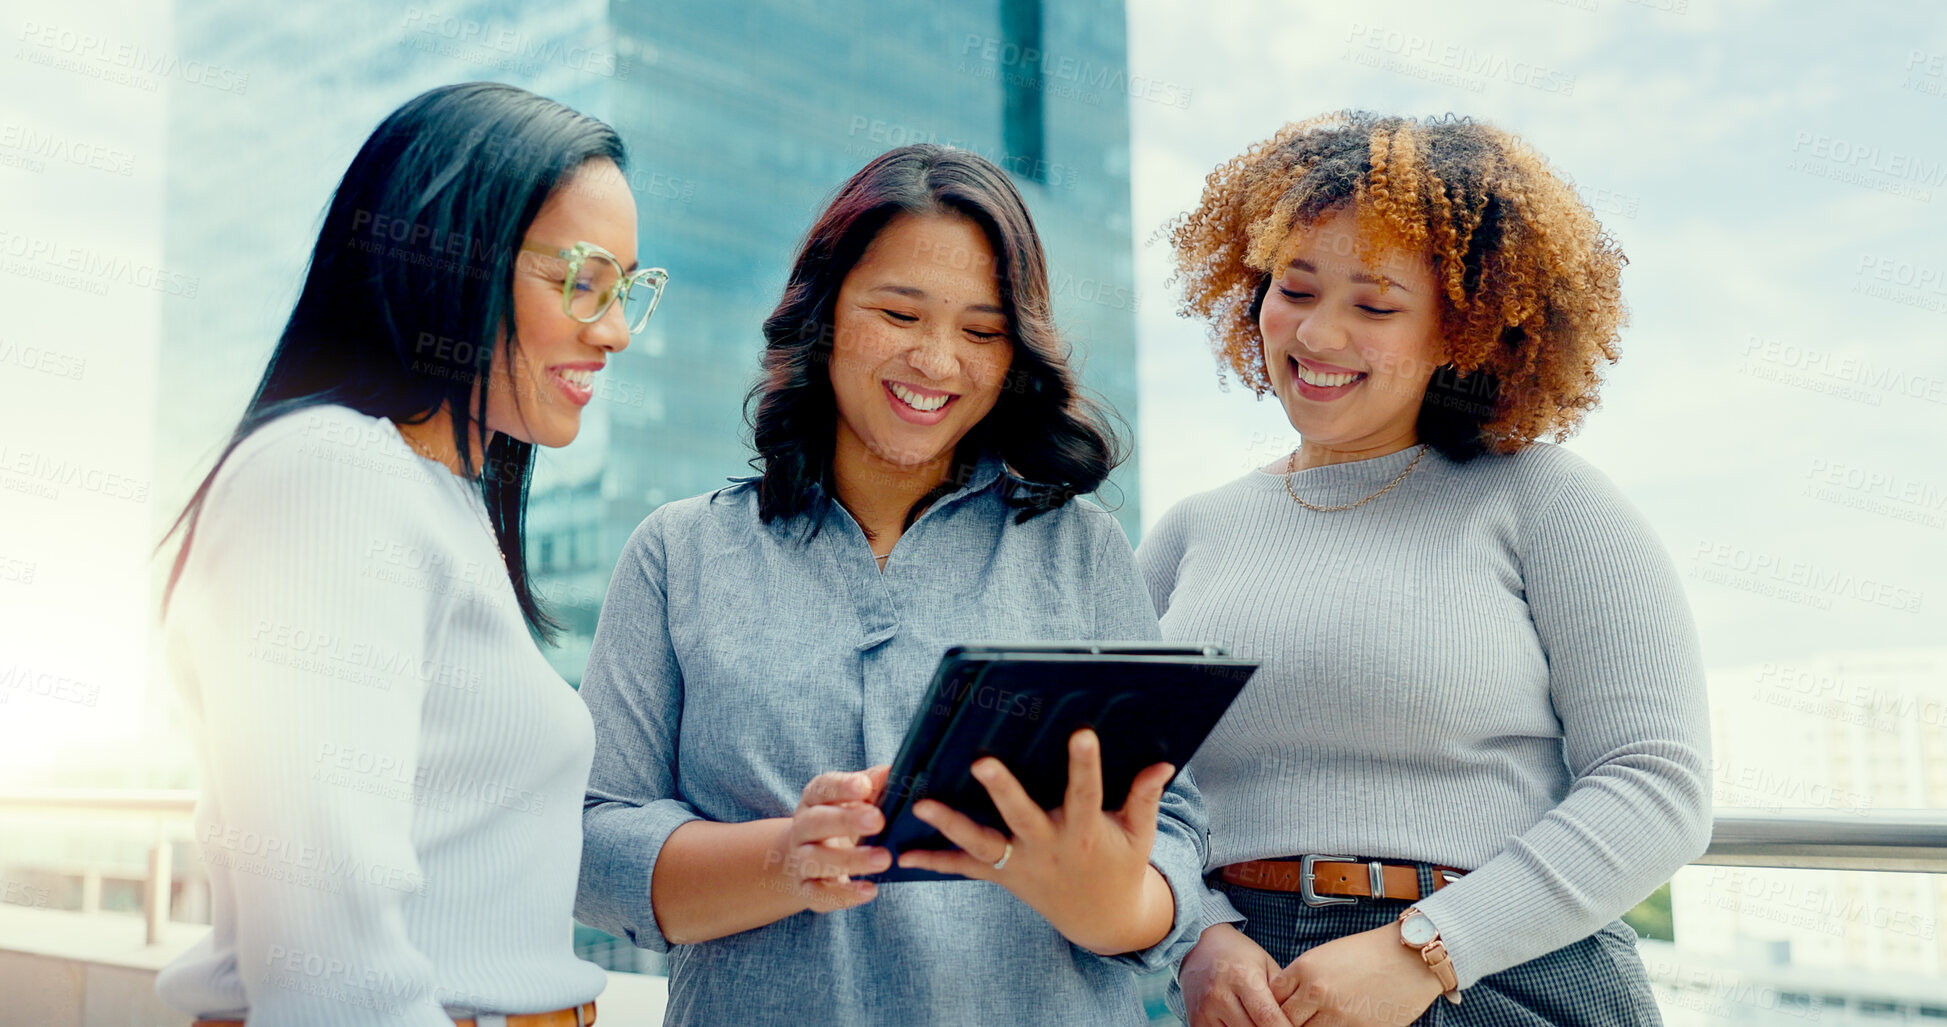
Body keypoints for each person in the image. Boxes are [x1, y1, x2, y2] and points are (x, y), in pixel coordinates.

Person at [573, 143, 1208, 1025]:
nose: (938, 362)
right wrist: (788, 858)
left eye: (981, 331)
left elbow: (1171, 824)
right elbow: (593, 843)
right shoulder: (680, 553)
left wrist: (1114, 903)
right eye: (900, 314)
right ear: (825, 313)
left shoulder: (1080, 550)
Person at [1144, 111, 1712, 1027]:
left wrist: (1427, 948)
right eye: (1293, 288)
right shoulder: (1188, 533)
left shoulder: (1544, 500)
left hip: (1506, 978)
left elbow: (1656, 783)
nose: (1317, 335)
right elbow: (1119, 789)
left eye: (1373, 305)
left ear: (1463, 329)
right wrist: (1197, 935)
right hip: (1248, 996)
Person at [155, 81, 668, 1026]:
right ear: (456, 260)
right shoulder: (332, 476)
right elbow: (329, 960)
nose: (616, 330)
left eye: (628, 290)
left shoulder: (434, 498)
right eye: (585, 281)